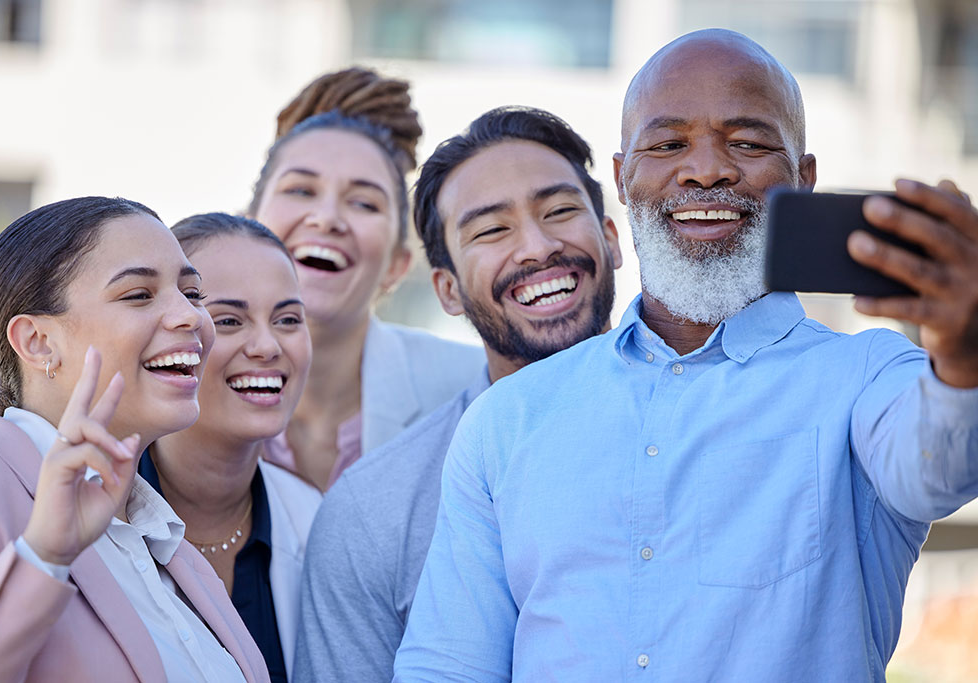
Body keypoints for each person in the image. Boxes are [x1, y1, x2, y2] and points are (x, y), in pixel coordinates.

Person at [394, 29, 978, 681]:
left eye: (748, 143)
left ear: (803, 178)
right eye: (669, 143)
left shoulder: (866, 377)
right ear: (620, 178)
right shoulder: (507, 421)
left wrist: (963, 355)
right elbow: (449, 666)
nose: (705, 170)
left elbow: (940, 465)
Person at [294, 106, 622, 682]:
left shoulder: (721, 429)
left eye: (561, 211)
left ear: (612, 239)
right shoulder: (373, 513)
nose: (537, 247)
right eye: (492, 229)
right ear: (446, 288)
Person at [0, 197, 269, 681]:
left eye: (192, 293)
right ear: (38, 343)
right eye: (139, 294)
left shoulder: (162, 538)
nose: (189, 317)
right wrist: (44, 555)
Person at [249, 67, 485, 491]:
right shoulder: (176, 387)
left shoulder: (472, 394)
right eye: (301, 190)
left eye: (362, 202)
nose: (327, 218)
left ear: (397, 264)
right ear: (247, 226)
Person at [141, 213, 320, 683]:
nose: (267, 346)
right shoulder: (82, 519)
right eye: (228, 319)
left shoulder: (317, 520)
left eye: (287, 319)